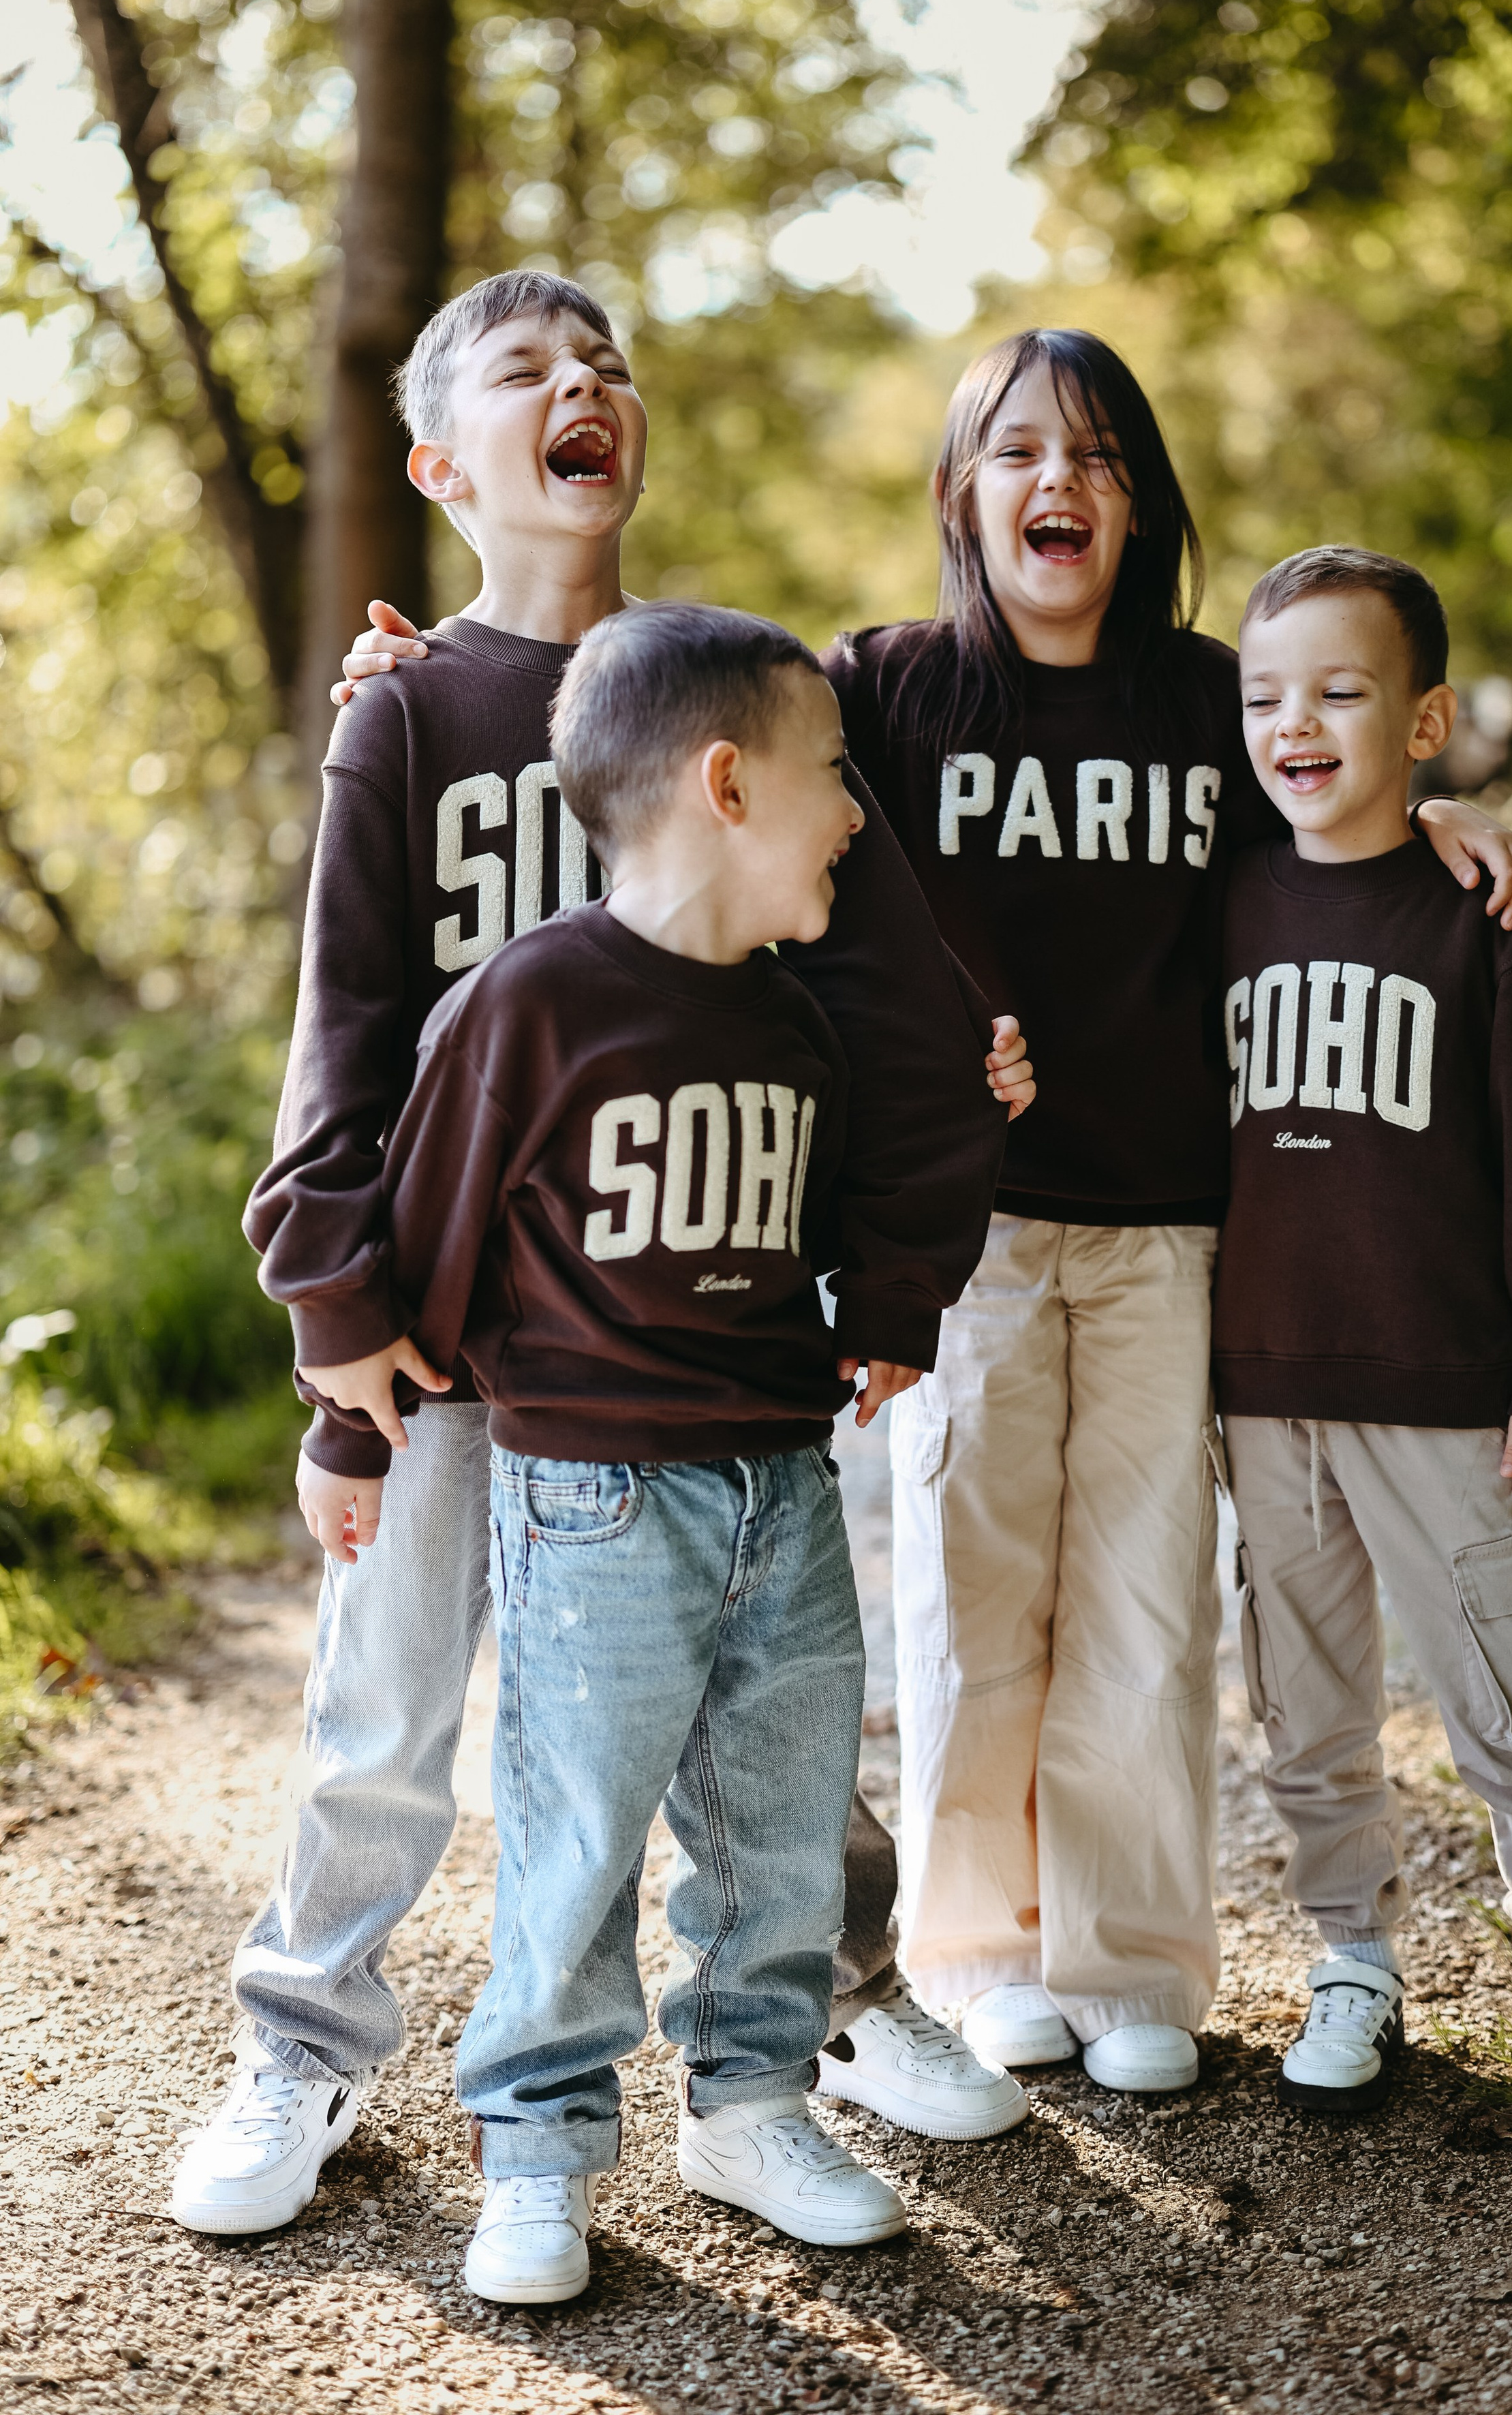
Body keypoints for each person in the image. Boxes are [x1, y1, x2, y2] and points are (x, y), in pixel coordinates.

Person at [170, 271, 1030, 2245]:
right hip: (461, 1320)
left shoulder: (718, 699)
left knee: (766, 1694)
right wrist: (336, 1315)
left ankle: (829, 2006)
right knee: (391, 1710)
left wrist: (907, 1242)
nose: (583, 389)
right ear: (439, 463)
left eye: (609, 368)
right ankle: (305, 2039)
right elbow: (348, 1029)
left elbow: (895, 985)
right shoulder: (407, 717)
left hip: (691, 1306)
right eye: (526, 374)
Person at [816, 330, 1512, 2095]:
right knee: (975, 1607)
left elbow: (1333, 803)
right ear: (961, 497)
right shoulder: (888, 690)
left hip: (1171, 1227)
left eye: (1097, 456)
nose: (1056, 484)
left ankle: (1133, 1960)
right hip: (967, 1242)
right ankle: (982, 1948)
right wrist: (431, 685)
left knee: (1147, 1607)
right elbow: (723, 790)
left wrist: (1433, 815)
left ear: (1141, 502)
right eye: (1016, 456)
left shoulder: (1210, 701)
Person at [333, 602, 936, 2297]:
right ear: (727, 785)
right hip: (594, 1499)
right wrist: (347, 1426)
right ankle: (534, 2144)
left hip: (782, 1489)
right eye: (834, 780)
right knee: (579, 1828)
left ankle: (747, 2102)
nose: (852, 815)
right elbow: (423, 1234)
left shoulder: (794, 1022)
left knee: (781, 1817)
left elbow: (835, 1219)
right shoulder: (531, 1004)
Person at [1217, 543, 1512, 2120]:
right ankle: (1349, 1952)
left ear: (1422, 725)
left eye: (1340, 694)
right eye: (1265, 696)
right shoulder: (1213, 890)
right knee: (1306, 1707)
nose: (1298, 724)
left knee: (1508, 1689)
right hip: (1266, 1382)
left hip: (1443, 1386)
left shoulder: (1484, 911)